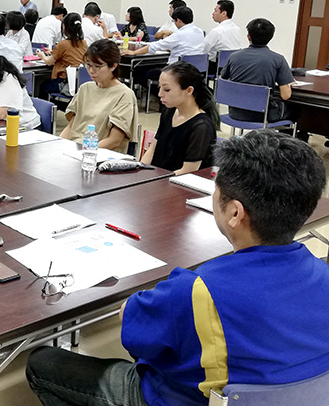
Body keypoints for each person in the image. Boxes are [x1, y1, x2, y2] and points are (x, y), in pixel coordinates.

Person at [26, 130, 329, 406]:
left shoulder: (198, 290)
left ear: (235, 213)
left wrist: (137, 306)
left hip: (180, 399)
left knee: (42, 363)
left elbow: (133, 332)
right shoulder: (323, 274)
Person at [141, 61, 220, 174]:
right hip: (159, 178)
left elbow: (188, 170)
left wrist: (156, 182)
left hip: (179, 185)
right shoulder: (168, 112)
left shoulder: (202, 126)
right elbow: (152, 150)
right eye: (160, 88)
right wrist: (141, 169)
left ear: (189, 90)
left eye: (167, 89)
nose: (160, 94)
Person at [61, 39, 138, 152]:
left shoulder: (124, 95)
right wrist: (58, 145)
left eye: (97, 66)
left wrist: (83, 151)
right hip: (76, 150)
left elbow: (114, 141)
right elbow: (71, 127)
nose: (91, 71)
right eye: (88, 65)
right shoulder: (85, 88)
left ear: (113, 66)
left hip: (99, 156)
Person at [220, 18, 295, 123]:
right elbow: (286, 95)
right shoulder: (278, 59)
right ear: (271, 37)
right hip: (261, 116)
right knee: (295, 110)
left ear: (248, 37)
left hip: (235, 112)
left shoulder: (234, 56)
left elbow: (223, 80)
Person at [124, 5, 205, 88]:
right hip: (194, 70)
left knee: (138, 71)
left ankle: (161, 96)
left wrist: (133, 52)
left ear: (179, 20)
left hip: (176, 71)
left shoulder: (180, 34)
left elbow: (154, 46)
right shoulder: (199, 32)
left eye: (175, 21)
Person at [36, 12, 87, 99]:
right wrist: (53, 52)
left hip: (63, 82)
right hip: (77, 82)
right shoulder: (83, 43)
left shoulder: (63, 44)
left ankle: (45, 109)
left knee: (42, 86)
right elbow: (70, 54)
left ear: (64, 27)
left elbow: (49, 62)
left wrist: (42, 56)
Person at [204, 0, 244, 73]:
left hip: (216, 67)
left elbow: (204, 50)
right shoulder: (237, 29)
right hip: (233, 66)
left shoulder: (217, 31)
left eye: (215, 11)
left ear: (223, 13)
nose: (213, 13)